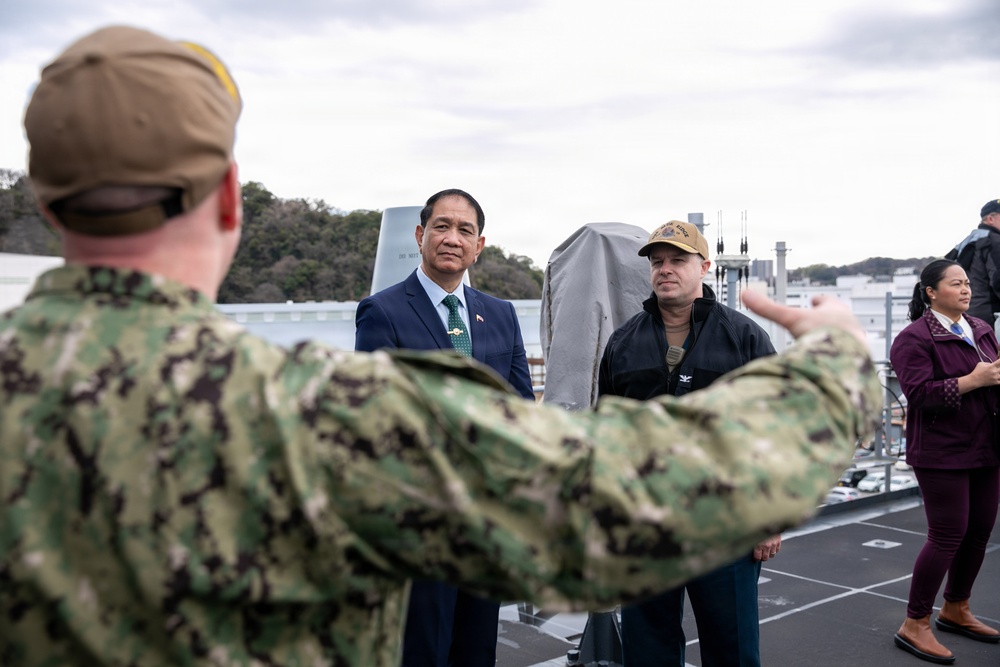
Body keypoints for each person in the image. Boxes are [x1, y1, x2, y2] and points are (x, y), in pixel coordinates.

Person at [0, 25, 882, 667]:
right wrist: (837, 366)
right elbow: (619, 491)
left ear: (46, 200)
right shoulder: (319, 416)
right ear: (230, 198)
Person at [355, 188, 535, 667]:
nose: (452, 238)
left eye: (465, 230)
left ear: (479, 246)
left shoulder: (501, 314)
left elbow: (520, 412)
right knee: (422, 651)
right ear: (420, 235)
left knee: (477, 650)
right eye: (441, 226)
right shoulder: (383, 311)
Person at [598, 220, 779, 667]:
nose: (665, 269)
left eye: (678, 260)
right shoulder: (623, 343)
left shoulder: (745, 338)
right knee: (647, 648)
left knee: (732, 645)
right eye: (657, 262)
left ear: (705, 267)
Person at [889, 259, 1000, 664]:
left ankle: (956, 608)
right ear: (931, 292)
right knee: (947, 535)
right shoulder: (913, 339)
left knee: (979, 532)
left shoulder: (982, 329)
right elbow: (918, 395)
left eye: (968, 283)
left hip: (987, 446)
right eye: (956, 284)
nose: (966, 289)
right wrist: (974, 380)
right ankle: (915, 621)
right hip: (942, 451)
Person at [947, 198, 1000, 326]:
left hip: (962, 316)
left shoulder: (963, 244)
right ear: (990, 219)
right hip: (991, 319)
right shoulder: (995, 241)